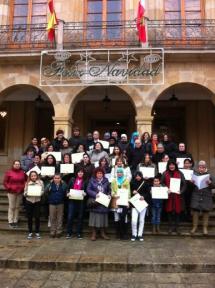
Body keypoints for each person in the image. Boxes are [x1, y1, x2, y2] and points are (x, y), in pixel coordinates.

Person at [161, 160, 186, 234]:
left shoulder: (180, 173)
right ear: (168, 166)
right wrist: (166, 188)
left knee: (177, 212)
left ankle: (177, 227)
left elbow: (184, 184)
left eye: (173, 165)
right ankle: (170, 227)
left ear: (175, 165)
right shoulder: (165, 173)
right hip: (169, 195)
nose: (171, 166)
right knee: (169, 211)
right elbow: (161, 183)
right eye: (170, 165)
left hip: (178, 196)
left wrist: (181, 191)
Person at [190, 161, 215, 235]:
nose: (201, 168)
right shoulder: (195, 174)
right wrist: (191, 183)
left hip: (206, 195)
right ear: (198, 168)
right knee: (195, 211)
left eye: (203, 167)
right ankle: (194, 227)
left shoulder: (210, 175)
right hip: (196, 195)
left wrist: (210, 183)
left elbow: (214, 186)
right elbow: (190, 187)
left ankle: (205, 228)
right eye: (200, 167)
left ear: (205, 168)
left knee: (206, 212)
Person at [87, 167, 111, 241]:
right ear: (96, 174)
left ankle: (102, 233)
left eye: (101, 173)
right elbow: (88, 189)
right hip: (95, 201)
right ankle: (94, 234)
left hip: (103, 202)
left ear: (103, 174)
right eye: (98, 173)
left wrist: (109, 194)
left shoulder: (106, 181)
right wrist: (95, 194)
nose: (99, 174)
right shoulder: (92, 180)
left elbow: (109, 190)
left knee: (103, 218)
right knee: (94, 218)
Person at [3, 160, 26, 228]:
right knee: (12, 207)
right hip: (11, 192)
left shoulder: (22, 172)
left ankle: (15, 220)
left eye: (18, 164)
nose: (17, 165)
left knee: (17, 207)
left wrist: (22, 188)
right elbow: (5, 182)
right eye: (16, 164)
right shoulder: (9, 172)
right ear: (13, 165)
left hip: (20, 192)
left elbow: (25, 181)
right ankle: (10, 221)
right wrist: (9, 188)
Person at [66, 169, 87, 239]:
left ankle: (79, 233)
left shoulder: (86, 181)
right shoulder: (72, 179)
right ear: (77, 173)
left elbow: (87, 190)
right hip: (72, 200)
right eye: (79, 172)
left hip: (81, 201)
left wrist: (85, 193)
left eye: (82, 172)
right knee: (70, 216)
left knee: (80, 217)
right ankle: (69, 232)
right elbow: (67, 189)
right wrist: (67, 193)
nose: (80, 173)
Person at [111, 168, 131, 240]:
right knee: (117, 217)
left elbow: (128, 191)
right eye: (118, 172)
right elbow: (112, 191)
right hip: (116, 201)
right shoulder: (113, 181)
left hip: (124, 202)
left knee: (124, 217)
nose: (119, 173)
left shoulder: (126, 181)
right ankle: (118, 234)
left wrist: (128, 201)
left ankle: (124, 234)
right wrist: (114, 195)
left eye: (120, 172)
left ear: (123, 173)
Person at [130, 171, 150, 241]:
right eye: (136, 176)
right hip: (134, 204)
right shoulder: (132, 183)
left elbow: (148, 193)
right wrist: (133, 192)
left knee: (141, 220)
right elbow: (129, 193)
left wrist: (143, 196)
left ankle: (140, 234)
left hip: (142, 203)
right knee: (134, 220)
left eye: (139, 176)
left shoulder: (145, 183)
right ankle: (134, 234)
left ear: (141, 176)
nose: (138, 177)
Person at [24, 171, 44, 239]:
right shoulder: (27, 183)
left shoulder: (40, 182)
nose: (33, 177)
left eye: (34, 175)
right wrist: (26, 193)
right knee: (29, 217)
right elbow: (24, 192)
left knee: (37, 217)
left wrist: (40, 193)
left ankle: (37, 232)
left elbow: (42, 190)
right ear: (30, 176)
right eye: (32, 176)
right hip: (29, 201)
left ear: (37, 176)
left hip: (37, 201)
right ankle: (30, 232)